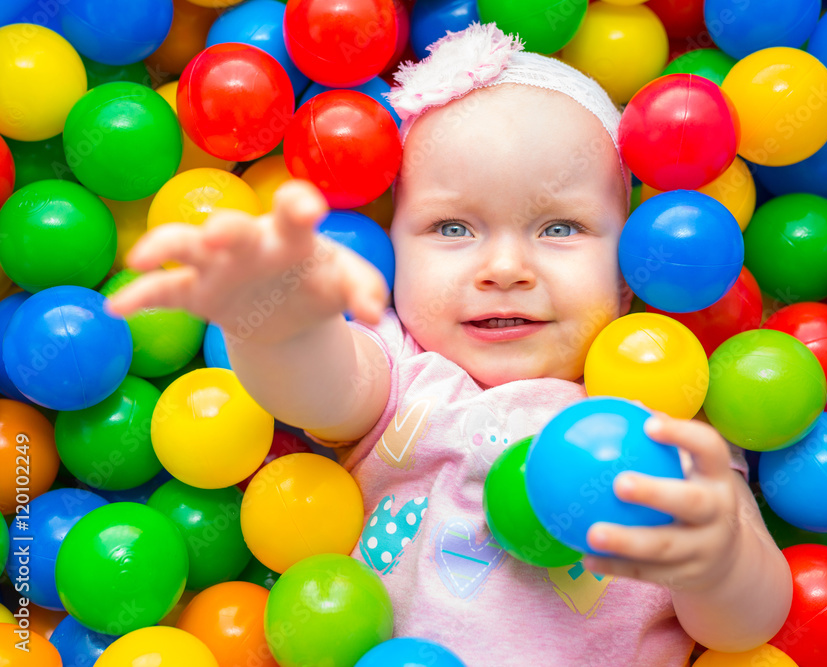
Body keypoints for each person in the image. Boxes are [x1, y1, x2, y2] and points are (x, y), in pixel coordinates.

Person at [107, 23, 792, 667]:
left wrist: (719, 561)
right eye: (453, 228)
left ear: (629, 273)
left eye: (559, 229)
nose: (504, 267)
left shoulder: (667, 415)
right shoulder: (407, 374)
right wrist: (271, 317)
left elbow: (745, 623)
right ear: (392, 250)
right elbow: (316, 384)